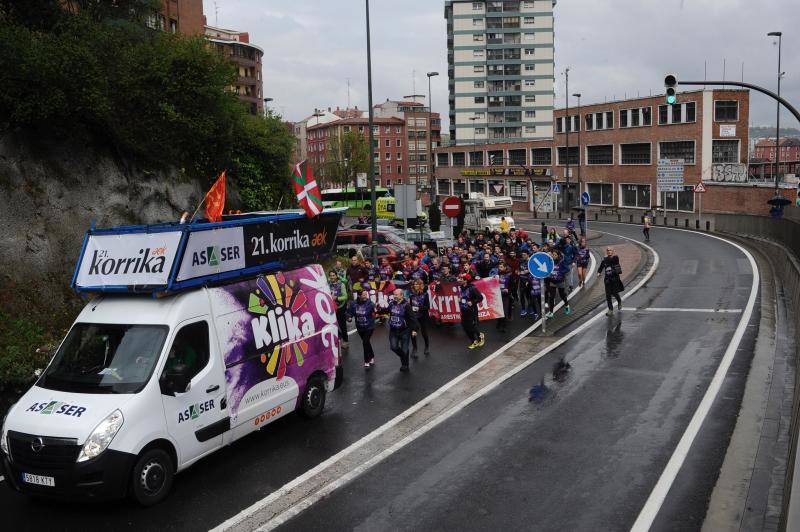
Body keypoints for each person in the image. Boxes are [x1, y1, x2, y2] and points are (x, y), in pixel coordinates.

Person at [385, 289, 418, 371]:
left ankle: (405, 364)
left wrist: (414, 330)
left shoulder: (407, 306)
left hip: (404, 331)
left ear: (402, 295)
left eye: (396, 295)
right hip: (393, 330)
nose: (395, 296)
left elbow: (413, 319)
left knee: (404, 349)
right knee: (393, 347)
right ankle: (403, 356)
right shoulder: (391, 304)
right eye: (394, 294)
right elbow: (386, 310)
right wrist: (378, 310)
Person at [347, 290, 376, 368]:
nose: (365, 296)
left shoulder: (370, 303)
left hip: (369, 326)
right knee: (366, 342)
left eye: (366, 295)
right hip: (360, 327)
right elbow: (350, 312)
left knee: (365, 342)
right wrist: (349, 317)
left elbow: (375, 310)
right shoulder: (353, 304)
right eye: (363, 295)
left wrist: (377, 310)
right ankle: (372, 356)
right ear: (359, 296)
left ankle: (367, 361)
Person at [459, 274, 484, 349]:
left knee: (471, 326)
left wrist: (472, 302)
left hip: (471, 310)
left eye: (461, 279)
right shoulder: (462, 287)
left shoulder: (472, 288)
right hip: (463, 310)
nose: (459, 280)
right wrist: (460, 299)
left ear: (465, 280)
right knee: (464, 326)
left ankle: (480, 337)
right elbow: (464, 297)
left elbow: (480, 298)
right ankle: (474, 341)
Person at [597, 246, 624, 316]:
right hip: (607, 280)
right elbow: (601, 266)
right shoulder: (605, 259)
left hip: (615, 279)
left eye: (610, 250)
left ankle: (619, 301)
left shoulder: (615, 258)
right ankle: (610, 309)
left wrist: (607, 258)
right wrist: (599, 272)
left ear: (613, 251)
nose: (609, 251)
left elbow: (615, 263)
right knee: (608, 295)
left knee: (615, 293)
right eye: (608, 250)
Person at [545, 251, 570, 318]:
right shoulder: (550, 262)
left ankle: (567, 305)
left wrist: (560, 273)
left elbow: (567, 269)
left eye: (555, 255)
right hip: (552, 281)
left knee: (562, 295)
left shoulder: (561, 262)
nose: (553, 256)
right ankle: (551, 312)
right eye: (553, 255)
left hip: (560, 281)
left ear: (558, 256)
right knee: (551, 297)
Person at [409, 279, 431, 357]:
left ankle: (426, 347)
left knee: (424, 332)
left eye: (417, 284)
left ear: (420, 285)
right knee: (413, 332)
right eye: (414, 284)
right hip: (414, 316)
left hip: (423, 316)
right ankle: (415, 349)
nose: (415, 286)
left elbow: (428, 307)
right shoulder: (411, 295)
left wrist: (419, 308)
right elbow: (410, 306)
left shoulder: (425, 295)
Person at [328, 270, 349, 347]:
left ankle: (346, 341)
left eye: (333, 275)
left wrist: (336, 298)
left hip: (340, 307)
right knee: (333, 325)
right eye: (331, 275)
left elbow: (345, 296)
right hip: (332, 308)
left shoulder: (341, 284)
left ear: (336, 276)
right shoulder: (328, 285)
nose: (332, 277)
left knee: (342, 325)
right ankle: (337, 339)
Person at [496, 262, 516, 332]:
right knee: (498, 310)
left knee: (504, 311)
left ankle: (504, 326)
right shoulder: (498, 274)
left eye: (501, 267)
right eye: (499, 267)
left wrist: (508, 290)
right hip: (498, 295)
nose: (499, 268)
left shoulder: (510, 275)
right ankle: (499, 323)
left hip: (506, 296)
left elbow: (513, 286)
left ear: (505, 267)